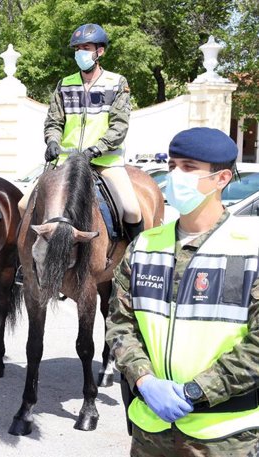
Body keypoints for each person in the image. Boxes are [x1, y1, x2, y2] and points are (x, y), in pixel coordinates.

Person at [106, 127, 259, 456]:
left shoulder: (251, 248)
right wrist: (144, 380)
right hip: (151, 428)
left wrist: (194, 391)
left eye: (189, 167)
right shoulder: (145, 245)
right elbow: (120, 322)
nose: (175, 175)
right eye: (173, 165)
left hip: (225, 436)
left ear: (221, 179)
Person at [18, 23, 142, 241]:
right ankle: (28, 261)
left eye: (86, 47)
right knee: (23, 204)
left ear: (99, 51)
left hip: (104, 162)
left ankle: (134, 258)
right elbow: (54, 121)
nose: (80, 53)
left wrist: (96, 150)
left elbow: (119, 125)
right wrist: (53, 142)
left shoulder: (116, 83)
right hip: (67, 162)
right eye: (77, 49)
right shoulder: (65, 84)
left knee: (132, 210)